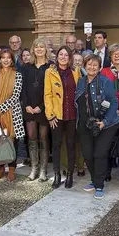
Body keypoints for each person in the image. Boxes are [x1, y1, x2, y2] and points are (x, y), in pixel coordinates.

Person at [77, 54, 119, 199]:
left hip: (106, 124)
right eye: (89, 64)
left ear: (100, 67)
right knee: (88, 154)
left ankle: (99, 185)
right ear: (85, 66)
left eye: (95, 65)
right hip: (86, 124)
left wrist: (105, 122)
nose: (92, 67)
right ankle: (94, 181)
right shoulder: (81, 82)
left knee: (99, 154)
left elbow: (113, 102)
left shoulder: (105, 82)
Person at [0, 48, 24, 182]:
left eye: (8, 57)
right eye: (3, 57)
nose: (6, 60)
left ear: (12, 60)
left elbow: (15, 96)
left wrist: (1, 109)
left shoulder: (18, 75)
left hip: (13, 113)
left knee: (12, 142)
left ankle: (12, 168)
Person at [44, 46, 81, 189]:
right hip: (56, 116)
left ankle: (70, 175)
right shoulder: (50, 72)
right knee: (56, 145)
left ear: (70, 57)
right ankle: (57, 175)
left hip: (72, 114)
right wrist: (50, 115)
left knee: (71, 145)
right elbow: (47, 95)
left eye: (66, 55)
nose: (63, 57)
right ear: (57, 56)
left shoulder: (76, 71)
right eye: (61, 54)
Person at [20, 38, 51, 181]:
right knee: (31, 136)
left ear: (46, 49)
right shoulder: (26, 67)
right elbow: (23, 88)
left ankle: (43, 170)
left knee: (43, 137)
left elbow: (51, 90)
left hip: (44, 108)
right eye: (36, 47)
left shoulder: (50, 67)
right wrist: (26, 105)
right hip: (29, 108)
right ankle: (34, 168)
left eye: (42, 47)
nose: (39, 49)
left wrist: (41, 107)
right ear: (33, 49)